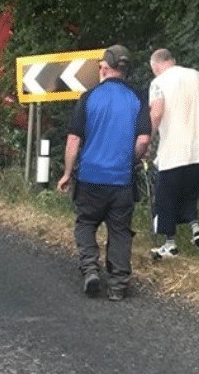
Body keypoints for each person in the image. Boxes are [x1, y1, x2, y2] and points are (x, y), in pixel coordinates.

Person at [56, 45, 152, 301]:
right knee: (120, 230)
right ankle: (119, 284)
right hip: (121, 180)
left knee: (86, 223)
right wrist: (130, 161)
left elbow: (73, 141)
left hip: (90, 178)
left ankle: (90, 269)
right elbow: (143, 140)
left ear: (105, 67)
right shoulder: (138, 97)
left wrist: (67, 173)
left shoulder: (89, 97)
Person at [147, 48, 199, 258]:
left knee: (166, 199)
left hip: (173, 154)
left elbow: (157, 112)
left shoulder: (159, 82)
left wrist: (147, 138)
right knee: (189, 196)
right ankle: (197, 230)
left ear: (156, 66)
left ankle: (170, 245)